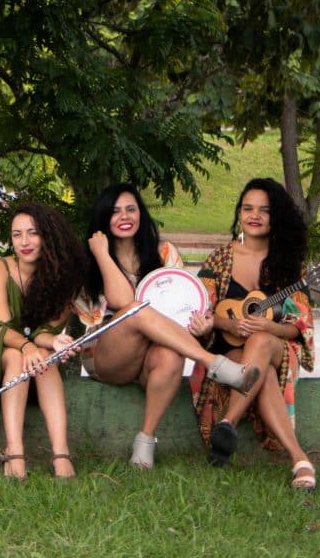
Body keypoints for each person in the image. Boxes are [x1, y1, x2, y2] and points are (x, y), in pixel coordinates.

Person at [74, 183, 260, 470]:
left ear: (141, 214)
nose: (124, 216)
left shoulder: (163, 252)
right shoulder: (91, 259)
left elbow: (182, 307)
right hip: (106, 355)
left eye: (130, 209)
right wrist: (102, 254)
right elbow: (123, 302)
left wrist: (199, 327)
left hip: (149, 355)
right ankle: (215, 363)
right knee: (136, 309)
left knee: (172, 354)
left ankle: (145, 442)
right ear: (103, 219)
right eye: (115, 212)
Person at [189, 178, 316, 490]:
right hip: (231, 351)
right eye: (247, 208)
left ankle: (227, 422)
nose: (254, 215)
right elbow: (202, 310)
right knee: (263, 375)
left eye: (264, 210)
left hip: (276, 346)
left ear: (277, 217)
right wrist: (228, 325)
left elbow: (299, 327)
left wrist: (268, 326)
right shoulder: (220, 259)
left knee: (259, 342)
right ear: (239, 213)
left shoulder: (288, 263)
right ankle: (300, 460)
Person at [0, 202, 85, 480]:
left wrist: (54, 343)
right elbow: (0, 328)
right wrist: (28, 346)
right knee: (15, 356)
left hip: (37, 353)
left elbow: (45, 332)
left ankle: (60, 454)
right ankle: (15, 453)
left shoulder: (63, 278)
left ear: (48, 236)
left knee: (46, 359)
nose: (24, 241)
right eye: (17, 234)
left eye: (32, 233)